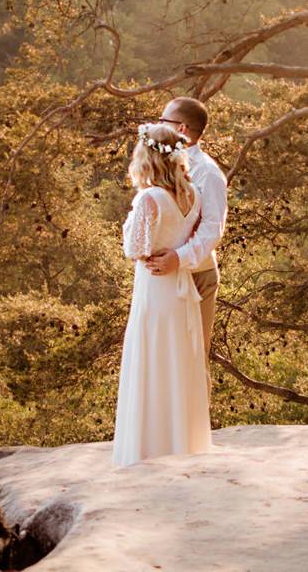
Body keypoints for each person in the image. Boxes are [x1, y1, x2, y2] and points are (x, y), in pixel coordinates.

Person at [111, 122, 212, 468]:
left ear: (146, 157)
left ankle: (147, 452)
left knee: (152, 360)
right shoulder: (192, 194)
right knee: (177, 362)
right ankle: (181, 443)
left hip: (155, 290)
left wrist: (130, 220)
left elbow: (134, 248)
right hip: (180, 289)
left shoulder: (150, 197)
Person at [144, 98, 227, 380]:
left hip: (195, 274)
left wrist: (177, 258)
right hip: (164, 275)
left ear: (181, 128)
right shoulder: (164, 165)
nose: (157, 126)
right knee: (163, 360)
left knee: (191, 360)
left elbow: (212, 228)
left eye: (162, 121)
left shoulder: (207, 172)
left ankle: (194, 426)